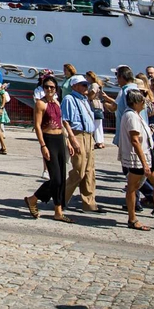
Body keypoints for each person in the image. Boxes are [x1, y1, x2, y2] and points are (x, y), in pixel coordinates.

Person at [118, 87, 154, 229]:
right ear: (135, 101)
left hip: (147, 156)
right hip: (137, 159)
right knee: (133, 187)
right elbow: (135, 140)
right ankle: (132, 219)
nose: (144, 102)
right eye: (142, 100)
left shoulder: (137, 115)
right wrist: (144, 163)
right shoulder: (130, 116)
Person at [24, 74, 77, 221]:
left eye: (52, 87)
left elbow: (61, 123)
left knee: (62, 177)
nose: (49, 89)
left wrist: (67, 142)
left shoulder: (57, 103)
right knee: (56, 178)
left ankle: (58, 211)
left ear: (56, 89)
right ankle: (33, 199)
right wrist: (43, 145)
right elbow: (37, 125)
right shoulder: (40, 104)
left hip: (60, 139)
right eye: (46, 87)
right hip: (49, 140)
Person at [62, 74, 103, 213]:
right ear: (74, 86)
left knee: (89, 171)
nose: (87, 87)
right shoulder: (69, 99)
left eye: (87, 84)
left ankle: (89, 204)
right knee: (79, 170)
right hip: (78, 135)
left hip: (89, 136)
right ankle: (61, 199)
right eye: (83, 85)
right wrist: (72, 139)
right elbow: (65, 121)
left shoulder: (85, 99)